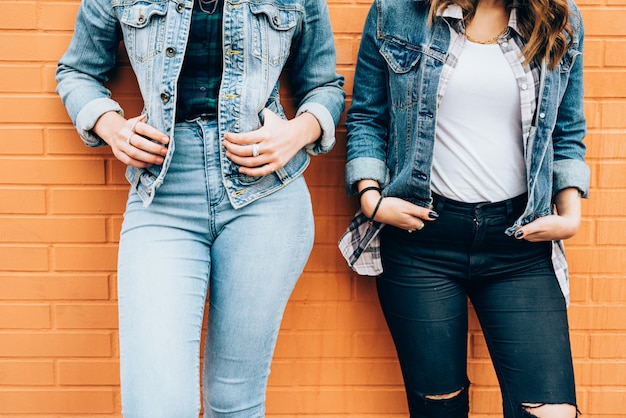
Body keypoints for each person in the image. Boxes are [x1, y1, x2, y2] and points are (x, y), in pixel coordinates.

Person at [56, 0, 344, 416]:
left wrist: (296, 133)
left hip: (264, 196)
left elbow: (324, 86)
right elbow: (77, 70)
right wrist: (112, 127)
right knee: (157, 406)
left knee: (234, 401)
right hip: (164, 191)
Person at [342, 0, 588, 416]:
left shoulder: (557, 18)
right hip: (423, 243)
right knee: (441, 407)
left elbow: (566, 127)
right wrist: (372, 200)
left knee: (552, 410)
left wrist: (570, 216)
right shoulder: (398, 12)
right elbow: (368, 117)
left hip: (519, 246)